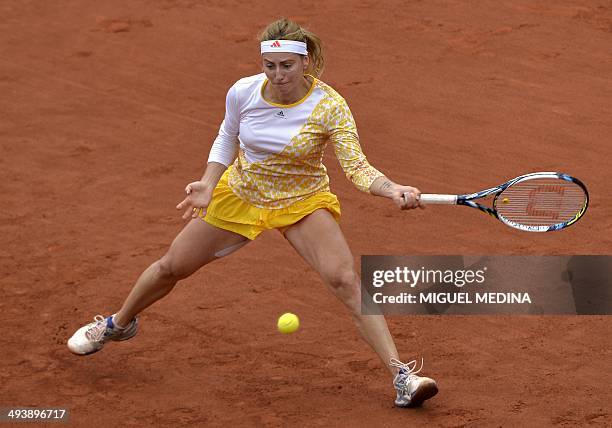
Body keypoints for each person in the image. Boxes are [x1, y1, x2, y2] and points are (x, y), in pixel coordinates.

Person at [67, 18, 438, 408]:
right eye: (270, 66)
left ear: (306, 62)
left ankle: (403, 377)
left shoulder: (330, 107)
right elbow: (227, 135)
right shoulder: (244, 92)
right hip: (242, 193)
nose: (277, 75)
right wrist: (209, 183)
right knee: (171, 267)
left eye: (287, 66)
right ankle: (117, 324)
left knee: (344, 279)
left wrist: (392, 188)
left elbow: (357, 167)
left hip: (302, 201)